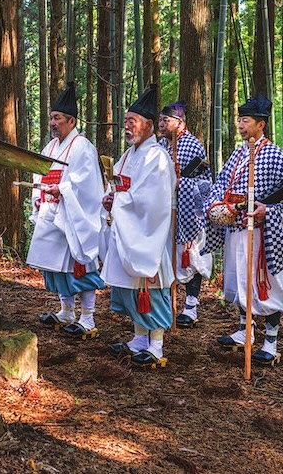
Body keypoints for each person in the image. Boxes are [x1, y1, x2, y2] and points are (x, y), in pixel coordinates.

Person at [203, 94, 283, 366]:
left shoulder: (274, 155)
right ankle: (243, 330)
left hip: (263, 234)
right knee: (238, 281)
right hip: (236, 228)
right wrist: (216, 205)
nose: (240, 125)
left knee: (266, 286)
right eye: (239, 120)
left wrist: (267, 211)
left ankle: (270, 341)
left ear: (261, 124)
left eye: (245, 120)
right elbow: (221, 184)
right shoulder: (238, 154)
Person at [101, 84, 176, 368]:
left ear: (149, 126)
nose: (127, 127)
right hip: (129, 228)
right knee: (132, 288)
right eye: (127, 122)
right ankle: (139, 338)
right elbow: (119, 185)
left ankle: (156, 345)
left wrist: (120, 202)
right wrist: (110, 198)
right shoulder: (129, 155)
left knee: (151, 288)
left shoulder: (157, 156)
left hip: (147, 233)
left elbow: (151, 199)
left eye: (132, 122)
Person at [27, 82, 106, 339]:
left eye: (57, 118)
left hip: (72, 216)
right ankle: (66, 310)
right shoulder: (49, 148)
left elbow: (87, 183)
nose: (52, 123)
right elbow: (40, 175)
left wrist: (63, 191)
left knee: (78, 265)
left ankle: (88, 317)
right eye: (51, 117)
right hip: (51, 214)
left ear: (71, 120)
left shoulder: (83, 147)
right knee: (55, 268)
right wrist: (40, 194)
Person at [157, 101, 213, 328]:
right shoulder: (161, 146)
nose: (161, 124)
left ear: (179, 122)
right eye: (160, 120)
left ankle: (191, 306)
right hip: (165, 211)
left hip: (190, 212)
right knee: (167, 256)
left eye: (165, 120)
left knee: (190, 257)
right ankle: (167, 302)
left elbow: (205, 183)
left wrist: (182, 183)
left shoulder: (193, 146)